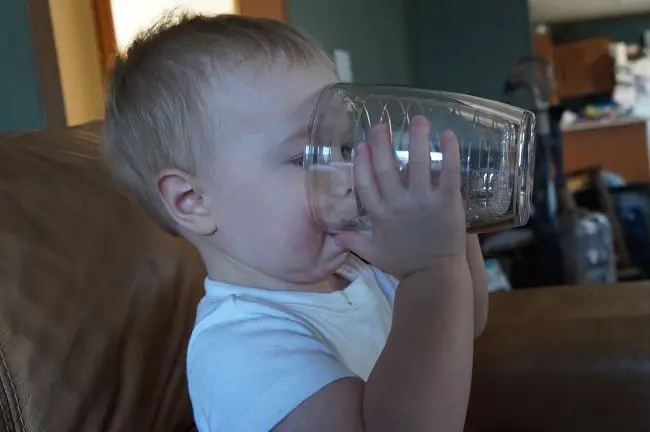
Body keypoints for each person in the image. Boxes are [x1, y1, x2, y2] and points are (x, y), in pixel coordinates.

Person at [104, 12, 488, 432]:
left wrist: (454, 221)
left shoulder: (357, 271)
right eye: (305, 157)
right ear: (193, 201)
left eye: (342, 147)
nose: (348, 176)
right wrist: (432, 270)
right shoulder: (239, 349)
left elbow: (466, 323)